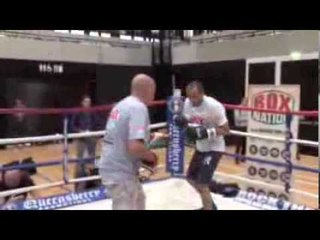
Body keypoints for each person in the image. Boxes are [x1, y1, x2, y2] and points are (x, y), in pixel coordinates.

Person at [99, 74, 158, 210]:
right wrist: (152, 157)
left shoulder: (121, 104)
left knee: (139, 201)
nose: (153, 96)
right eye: (153, 92)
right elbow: (135, 147)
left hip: (114, 166)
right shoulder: (138, 108)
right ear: (148, 90)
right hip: (120, 170)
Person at [174, 81, 230, 210]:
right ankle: (209, 205)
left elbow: (226, 130)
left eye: (195, 96)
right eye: (189, 96)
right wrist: (182, 121)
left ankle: (208, 208)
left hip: (214, 148)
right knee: (191, 178)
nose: (192, 100)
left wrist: (207, 132)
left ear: (202, 94)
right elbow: (187, 119)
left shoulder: (214, 106)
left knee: (202, 183)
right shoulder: (188, 102)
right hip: (201, 147)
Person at [71, 95, 101, 192]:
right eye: (86, 102)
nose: (88, 104)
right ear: (82, 102)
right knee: (81, 162)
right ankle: (78, 186)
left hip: (91, 138)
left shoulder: (93, 112)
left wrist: (95, 134)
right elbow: (72, 125)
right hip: (81, 139)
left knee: (91, 161)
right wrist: (80, 131)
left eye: (89, 102)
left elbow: (97, 123)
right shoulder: (78, 112)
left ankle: (92, 184)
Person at [234, 97, 248, 164]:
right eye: (245, 101)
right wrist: (246, 119)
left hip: (246, 127)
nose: (246, 102)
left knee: (245, 143)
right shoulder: (238, 108)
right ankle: (236, 158)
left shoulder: (248, 109)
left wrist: (246, 119)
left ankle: (243, 157)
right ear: (242, 101)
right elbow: (237, 119)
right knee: (238, 144)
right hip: (239, 127)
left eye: (247, 101)